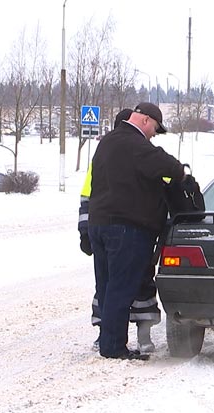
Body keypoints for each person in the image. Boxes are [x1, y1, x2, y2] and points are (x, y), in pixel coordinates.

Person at [88, 102, 185, 360]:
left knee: (107, 286)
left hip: (99, 224)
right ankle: (114, 347)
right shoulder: (136, 145)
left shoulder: (106, 142)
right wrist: (181, 175)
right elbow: (170, 166)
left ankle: (108, 342)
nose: (153, 134)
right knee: (121, 289)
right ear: (144, 120)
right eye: (154, 128)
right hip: (126, 229)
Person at [78, 108, 160, 354]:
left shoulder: (117, 152)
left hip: (113, 229)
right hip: (129, 231)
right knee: (118, 288)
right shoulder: (131, 153)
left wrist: (86, 230)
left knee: (112, 287)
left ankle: (119, 338)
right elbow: (87, 198)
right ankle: (111, 340)